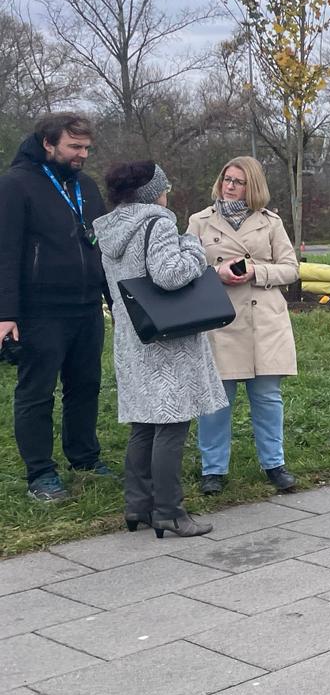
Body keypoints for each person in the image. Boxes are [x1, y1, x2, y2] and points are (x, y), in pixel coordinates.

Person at [93, 161, 226, 538]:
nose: (168, 190)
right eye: (164, 185)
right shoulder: (158, 222)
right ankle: (169, 511)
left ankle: (138, 506)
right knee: (171, 424)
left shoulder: (111, 228)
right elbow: (170, 275)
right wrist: (194, 248)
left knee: (144, 425)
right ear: (151, 192)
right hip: (168, 341)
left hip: (134, 336)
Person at [0, 112, 112, 502]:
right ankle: (41, 473)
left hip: (87, 306)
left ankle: (85, 458)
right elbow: (6, 252)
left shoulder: (86, 186)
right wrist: (6, 313)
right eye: (74, 147)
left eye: (87, 147)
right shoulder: (15, 185)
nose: (83, 154)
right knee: (37, 391)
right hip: (40, 309)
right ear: (48, 144)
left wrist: (114, 299)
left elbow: (103, 248)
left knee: (86, 385)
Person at [187, 156, 300, 496]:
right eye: (227, 179)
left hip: (264, 320)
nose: (230, 186)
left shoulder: (270, 222)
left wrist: (256, 271)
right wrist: (216, 273)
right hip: (220, 319)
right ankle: (213, 469)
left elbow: (291, 268)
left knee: (267, 398)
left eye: (238, 181)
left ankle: (275, 464)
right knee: (216, 400)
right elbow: (185, 268)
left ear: (253, 187)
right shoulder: (199, 222)